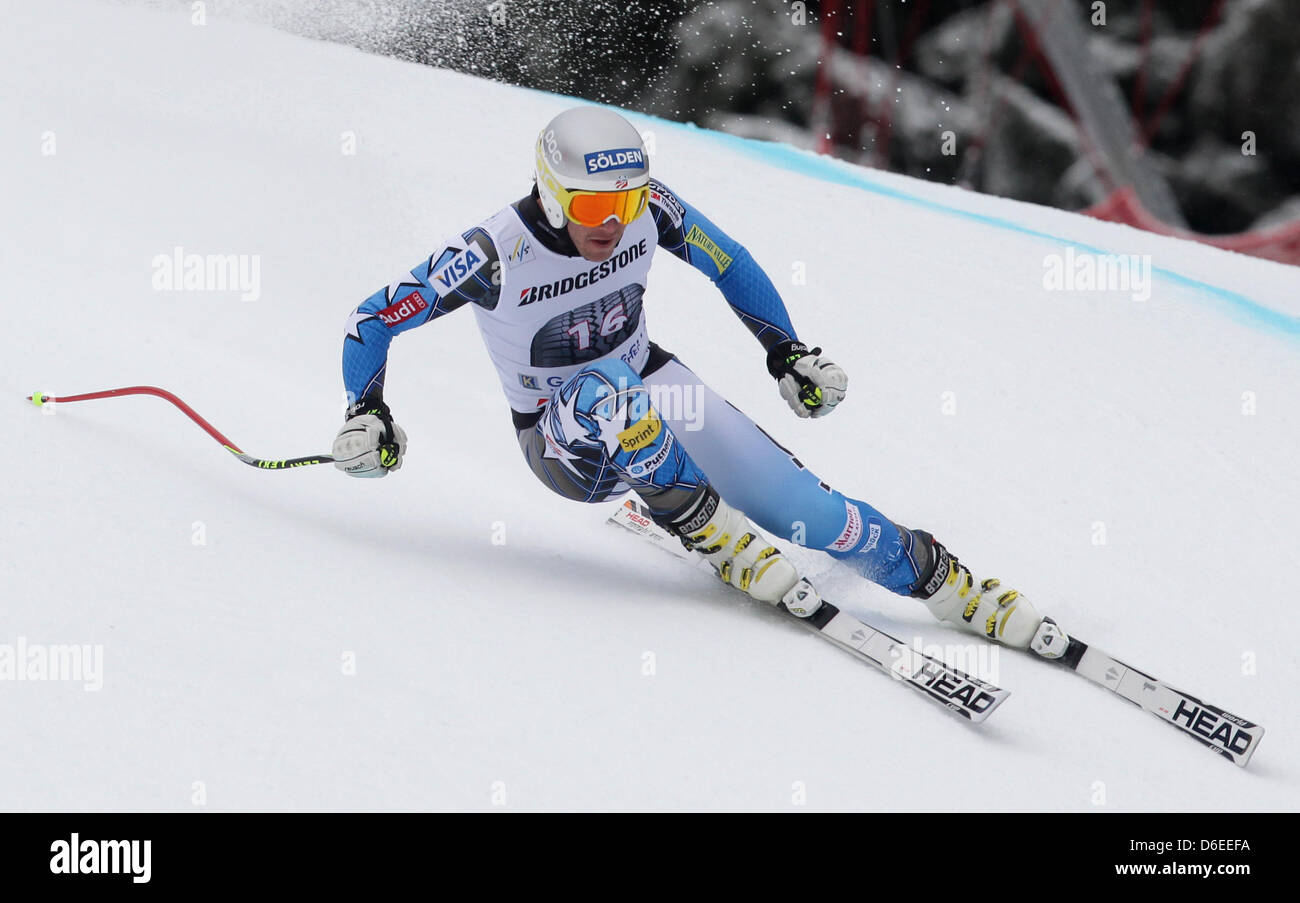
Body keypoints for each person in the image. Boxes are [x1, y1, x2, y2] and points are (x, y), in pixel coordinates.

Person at [332, 105, 1066, 657]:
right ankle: (713, 534)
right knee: (607, 396)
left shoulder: (649, 206)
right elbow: (372, 320)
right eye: (591, 207)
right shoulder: (494, 251)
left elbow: (729, 261)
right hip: (564, 444)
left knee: (810, 509)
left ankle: (942, 581)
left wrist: (788, 352)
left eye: (622, 205)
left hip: (653, 386)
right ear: (551, 193)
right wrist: (367, 410)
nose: (611, 224)